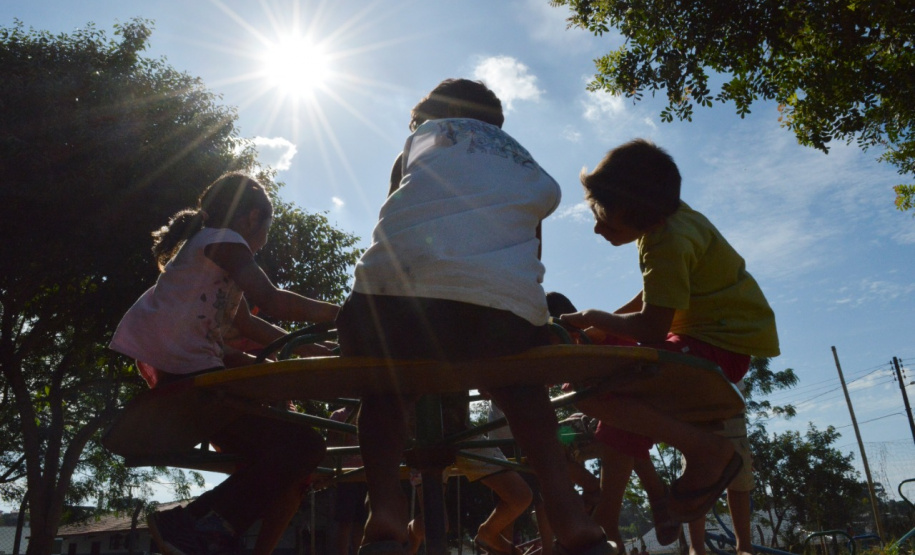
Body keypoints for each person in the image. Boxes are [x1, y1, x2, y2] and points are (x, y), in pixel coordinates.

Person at [335, 78, 614, 555]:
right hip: (498, 313)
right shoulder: (524, 163)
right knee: (523, 391)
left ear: (429, 117)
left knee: (384, 386)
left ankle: (385, 515)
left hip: (396, 304)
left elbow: (395, 224)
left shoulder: (423, 143)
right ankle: (573, 522)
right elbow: (531, 261)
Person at [558, 139, 778, 555]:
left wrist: (592, 317)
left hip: (716, 348)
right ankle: (609, 518)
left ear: (639, 211)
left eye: (603, 217)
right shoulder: (670, 223)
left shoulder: (668, 240)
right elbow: (654, 298)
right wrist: (601, 332)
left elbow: (652, 327)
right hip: (709, 339)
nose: (597, 227)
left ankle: (706, 451)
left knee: (592, 390)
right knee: (613, 398)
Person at [109, 172, 339, 555]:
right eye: (267, 229)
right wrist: (343, 313)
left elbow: (248, 323)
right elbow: (272, 299)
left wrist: (310, 348)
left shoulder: (211, 250)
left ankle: (214, 534)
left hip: (184, 371)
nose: (264, 240)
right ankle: (193, 523)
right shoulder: (224, 241)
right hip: (191, 373)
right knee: (305, 445)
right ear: (252, 218)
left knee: (278, 457)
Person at [327, 405, 369, 555]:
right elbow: (331, 444)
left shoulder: (368, 413)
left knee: (361, 521)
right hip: (346, 475)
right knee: (345, 521)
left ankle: (358, 552)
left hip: (365, 474)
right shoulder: (338, 415)